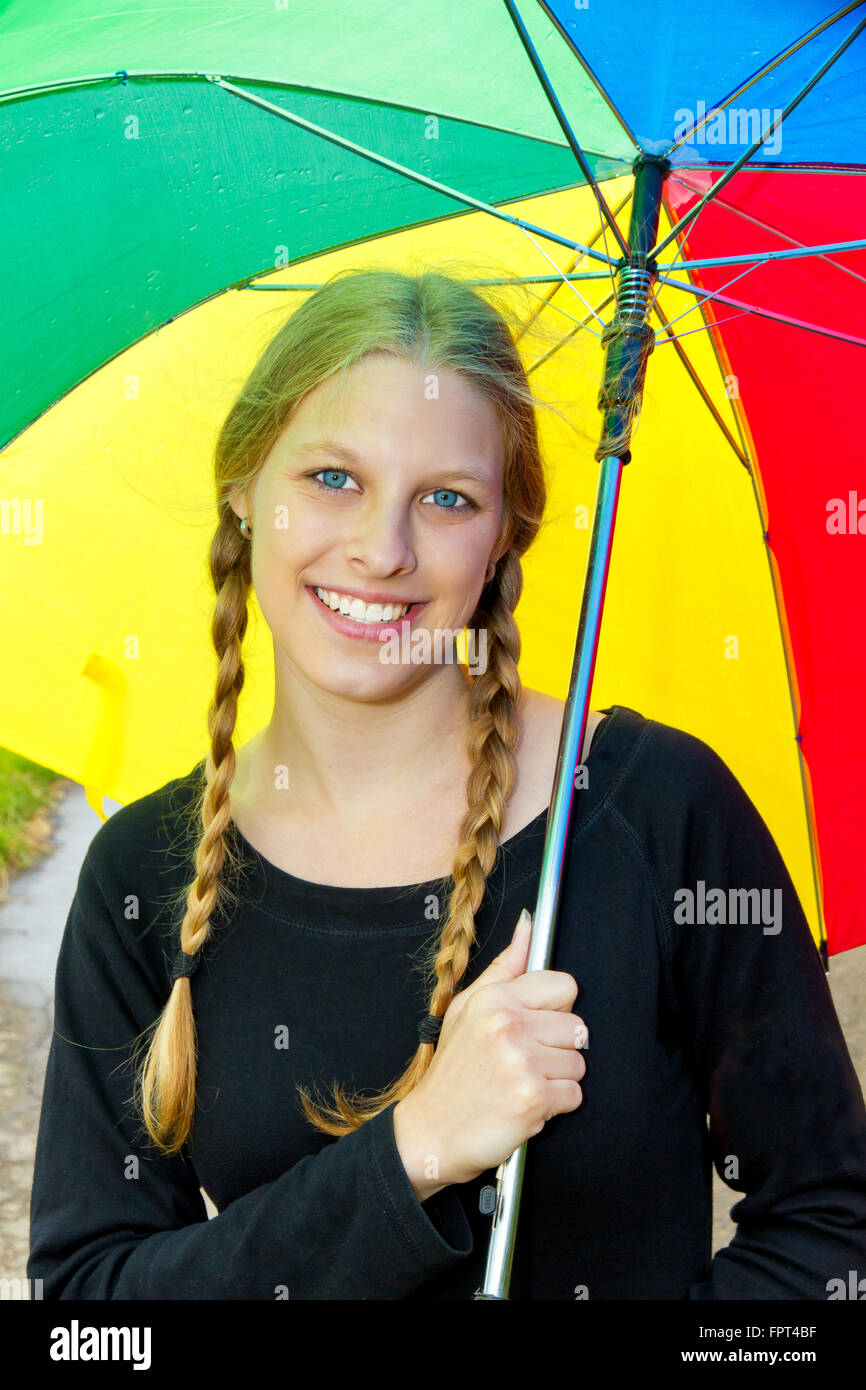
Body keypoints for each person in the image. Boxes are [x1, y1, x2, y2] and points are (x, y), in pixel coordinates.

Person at [28, 268, 866, 1300]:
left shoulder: (656, 811)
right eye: (332, 478)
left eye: (446, 498)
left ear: (501, 535)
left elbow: (833, 1231)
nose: (381, 550)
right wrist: (410, 1153)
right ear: (243, 489)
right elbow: (87, 1315)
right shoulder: (144, 878)